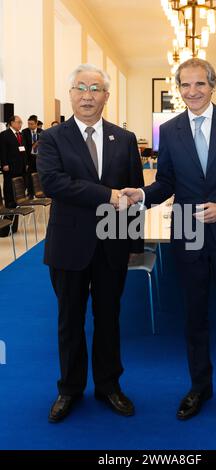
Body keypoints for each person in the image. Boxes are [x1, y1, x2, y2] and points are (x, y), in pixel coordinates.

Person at [121, 58, 216, 436]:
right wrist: (141, 193)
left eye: (199, 84)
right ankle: (199, 388)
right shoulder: (169, 130)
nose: (192, 92)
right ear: (178, 88)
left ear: (212, 85)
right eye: (185, 85)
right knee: (194, 315)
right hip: (188, 228)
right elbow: (167, 181)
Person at [37, 63, 144, 423]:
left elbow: (134, 194)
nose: (87, 95)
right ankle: (69, 389)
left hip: (112, 244)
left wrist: (134, 245)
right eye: (80, 87)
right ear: (70, 94)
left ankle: (109, 386)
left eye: (95, 88)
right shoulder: (52, 138)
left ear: (106, 96)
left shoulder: (124, 139)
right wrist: (108, 195)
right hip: (68, 245)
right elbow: (53, 183)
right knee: (69, 319)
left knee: (109, 318)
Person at [0, 115, 27, 232]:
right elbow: (2, 151)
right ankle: (7, 224)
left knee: (17, 196)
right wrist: (4, 164)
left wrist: (25, 163)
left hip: (20, 168)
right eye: (18, 122)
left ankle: (14, 226)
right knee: (10, 194)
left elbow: (23, 149)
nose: (20, 124)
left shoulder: (20, 135)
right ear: (11, 123)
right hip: (10, 168)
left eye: (21, 122)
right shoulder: (5, 135)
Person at [22, 115, 43, 197]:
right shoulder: (25, 132)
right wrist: (25, 161)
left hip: (39, 158)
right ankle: (30, 193)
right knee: (29, 177)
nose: (30, 126)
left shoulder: (42, 131)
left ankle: (39, 192)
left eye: (31, 124)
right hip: (29, 158)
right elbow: (24, 147)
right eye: (28, 124)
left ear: (36, 123)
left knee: (39, 176)